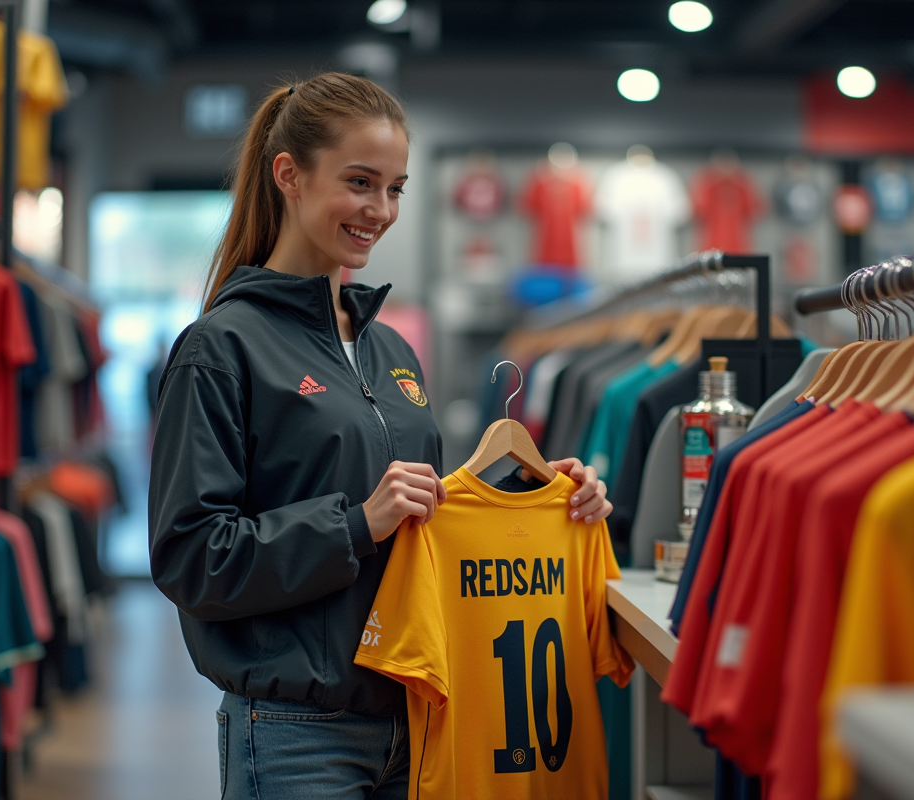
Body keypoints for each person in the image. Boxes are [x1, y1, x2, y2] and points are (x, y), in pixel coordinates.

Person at [148, 73, 613, 800]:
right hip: (297, 731)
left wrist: (530, 495)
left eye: (396, 188)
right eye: (361, 182)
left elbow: (419, 516)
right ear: (289, 175)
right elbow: (191, 559)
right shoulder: (221, 348)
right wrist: (354, 524)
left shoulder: (389, 350)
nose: (381, 210)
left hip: (422, 718)